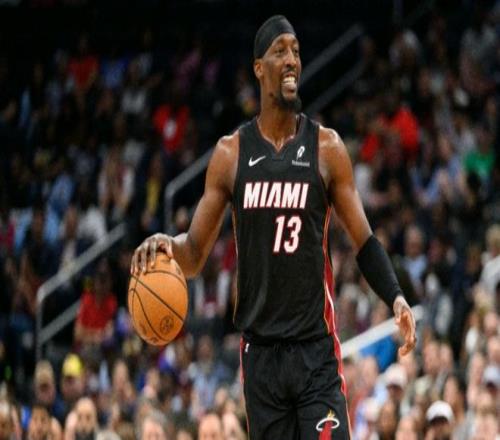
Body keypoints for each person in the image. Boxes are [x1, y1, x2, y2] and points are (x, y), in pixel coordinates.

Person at [131, 15, 416, 439]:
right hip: (261, 357)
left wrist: (395, 296)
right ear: (258, 68)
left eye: (296, 51)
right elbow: (193, 255)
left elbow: (364, 240)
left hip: (315, 351)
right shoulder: (230, 155)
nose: (291, 59)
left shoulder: (326, 148)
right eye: (280, 51)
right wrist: (165, 244)